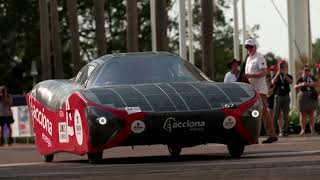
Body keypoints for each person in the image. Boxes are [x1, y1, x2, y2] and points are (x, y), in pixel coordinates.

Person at [244, 38, 278, 143]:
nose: (249, 48)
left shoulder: (259, 57)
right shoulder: (248, 58)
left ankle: (271, 134)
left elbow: (264, 72)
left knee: (263, 112)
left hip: (260, 89)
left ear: (255, 47)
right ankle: (252, 136)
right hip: (250, 89)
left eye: (250, 46)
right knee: (252, 113)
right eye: (247, 47)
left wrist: (251, 75)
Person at [271, 61, 293, 137]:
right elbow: (272, 82)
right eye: (281, 67)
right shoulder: (276, 75)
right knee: (275, 115)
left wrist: (285, 74)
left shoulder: (288, 75)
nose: (282, 68)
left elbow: (291, 82)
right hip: (278, 96)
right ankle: (275, 131)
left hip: (286, 96)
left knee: (285, 115)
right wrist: (278, 73)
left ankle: (284, 131)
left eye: (283, 67)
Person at [295, 65, 318, 135]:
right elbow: (295, 86)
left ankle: (312, 130)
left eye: (308, 70)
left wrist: (308, 84)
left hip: (311, 95)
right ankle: (303, 130)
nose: (307, 72)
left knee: (311, 113)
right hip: (302, 96)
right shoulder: (300, 78)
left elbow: (317, 84)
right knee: (303, 114)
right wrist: (301, 84)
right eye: (305, 70)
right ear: (303, 71)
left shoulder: (312, 77)